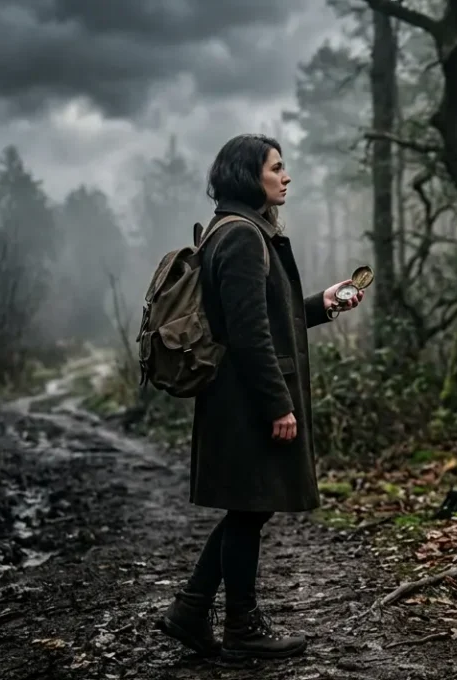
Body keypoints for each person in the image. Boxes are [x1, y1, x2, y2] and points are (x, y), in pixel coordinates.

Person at [155, 133, 364, 660]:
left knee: (248, 510)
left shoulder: (233, 230)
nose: (286, 175)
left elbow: (270, 317)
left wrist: (326, 302)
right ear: (250, 176)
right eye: (276, 167)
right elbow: (249, 336)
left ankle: (192, 609)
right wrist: (278, 405)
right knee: (250, 510)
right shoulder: (245, 237)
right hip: (246, 401)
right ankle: (240, 628)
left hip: (236, 397)